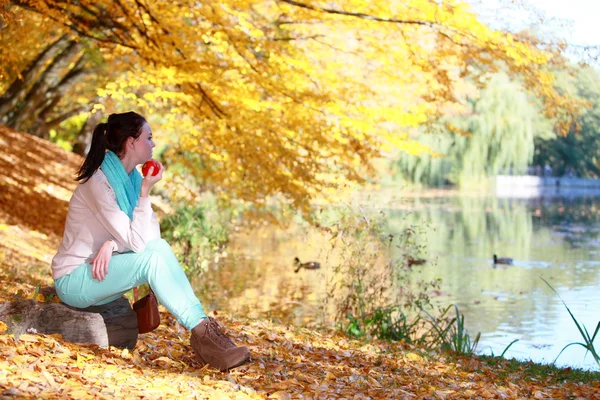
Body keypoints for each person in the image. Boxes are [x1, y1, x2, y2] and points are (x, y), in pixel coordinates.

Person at [51, 111, 249, 371]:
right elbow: (136, 243)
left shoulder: (131, 181)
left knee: (160, 248)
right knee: (153, 255)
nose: (154, 144)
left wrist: (112, 244)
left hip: (100, 274)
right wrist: (145, 193)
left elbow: (151, 239)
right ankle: (205, 337)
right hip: (75, 280)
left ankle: (205, 334)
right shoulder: (98, 184)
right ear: (131, 142)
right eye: (149, 137)